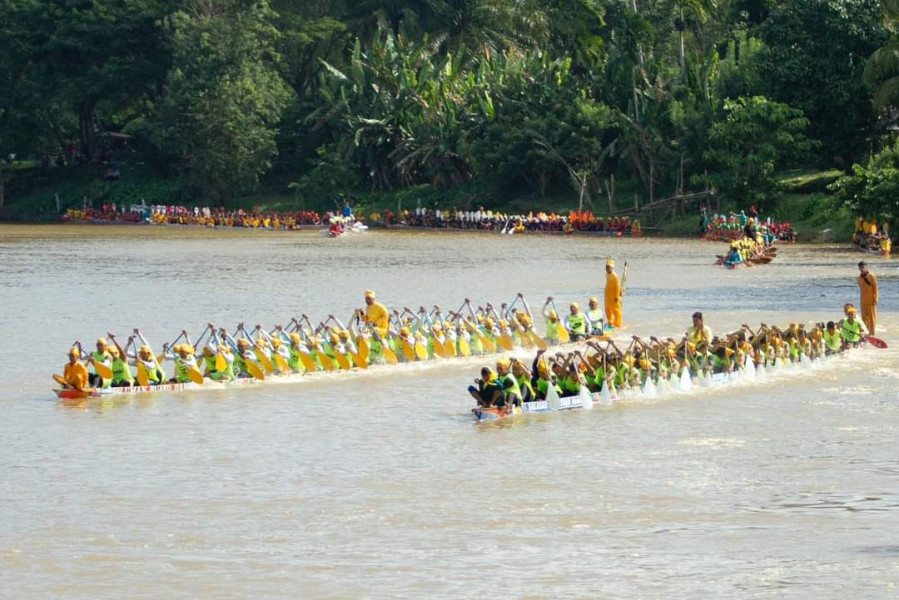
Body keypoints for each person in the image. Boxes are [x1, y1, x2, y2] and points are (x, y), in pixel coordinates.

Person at [857, 261, 878, 335]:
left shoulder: (871, 276)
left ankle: (872, 333)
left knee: (872, 317)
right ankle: (866, 332)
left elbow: (875, 287)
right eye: (860, 268)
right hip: (863, 300)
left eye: (863, 267)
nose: (862, 269)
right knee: (864, 318)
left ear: (866, 267)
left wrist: (876, 298)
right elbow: (861, 287)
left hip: (871, 299)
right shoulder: (859, 278)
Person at [604, 258, 623, 329]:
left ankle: (618, 324)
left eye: (609, 267)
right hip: (608, 295)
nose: (607, 269)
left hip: (614, 296)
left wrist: (617, 296)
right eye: (606, 267)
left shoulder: (615, 275)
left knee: (616, 310)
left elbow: (618, 286)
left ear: (612, 268)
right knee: (608, 310)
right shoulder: (607, 274)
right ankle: (610, 322)